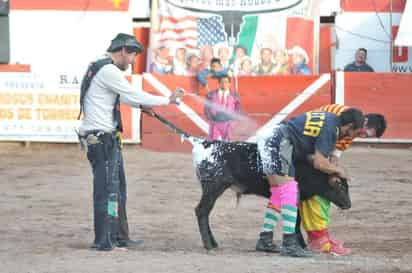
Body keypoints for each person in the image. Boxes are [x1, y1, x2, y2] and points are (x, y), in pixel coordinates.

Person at [78, 33, 184, 251]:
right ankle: (104, 241)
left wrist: (139, 105)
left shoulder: (99, 66)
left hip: (104, 139)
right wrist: (168, 100)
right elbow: (133, 93)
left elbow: (122, 96)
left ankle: (118, 236)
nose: (133, 61)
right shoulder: (108, 70)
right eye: (133, 55)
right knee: (108, 190)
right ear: (123, 50)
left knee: (117, 189)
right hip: (102, 139)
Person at [255, 108, 364, 257]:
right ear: (350, 126)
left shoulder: (330, 118)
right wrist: (338, 171)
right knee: (290, 191)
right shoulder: (331, 130)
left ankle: (265, 239)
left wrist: (331, 167)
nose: (354, 137)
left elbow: (313, 156)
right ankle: (289, 244)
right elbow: (319, 163)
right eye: (356, 133)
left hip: (273, 137)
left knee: (278, 193)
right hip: (279, 141)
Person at [298, 104, 386, 255]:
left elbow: (333, 156)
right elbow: (320, 154)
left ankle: (316, 237)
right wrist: (335, 171)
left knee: (321, 189)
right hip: (301, 147)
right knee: (316, 192)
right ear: (363, 122)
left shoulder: (351, 131)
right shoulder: (338, 115)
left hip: (308, 151)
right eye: (365, 133)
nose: (362, 136)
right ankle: (318, 239)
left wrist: (333, 174)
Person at [204, 74, 240, 141]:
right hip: (215, 122)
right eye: (222, 82)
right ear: (219, 83)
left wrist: (233, 120)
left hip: (228, 122)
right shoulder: (211, 94)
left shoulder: (234, 95)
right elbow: (206, 108)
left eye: (226, 82)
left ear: (229, 83)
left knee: (229, 143)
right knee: (213, 142)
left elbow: (237, 108)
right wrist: (211, 119)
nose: (224, 84)